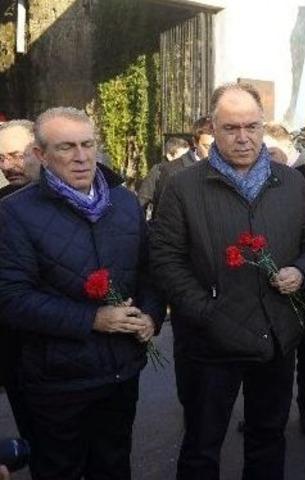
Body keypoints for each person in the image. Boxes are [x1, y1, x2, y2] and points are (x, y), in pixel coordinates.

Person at [150, 82, 305, 479]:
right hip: (209, 343)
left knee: (268, 440)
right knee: (201, 446)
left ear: (263, 126)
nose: (244, 137)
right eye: (231, 128)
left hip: (275, 338)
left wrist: (301, 272)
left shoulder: (291, 182)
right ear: (213, 128)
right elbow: (165, 260)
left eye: (252, 126)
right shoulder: (183, 187)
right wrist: (209, 312)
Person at [0, 107, 165, 479]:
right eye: (66, 147)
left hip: (121, 373)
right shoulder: (14, 213)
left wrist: (151, 316)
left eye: (88, 144)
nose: (81, 156)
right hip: (57, 381)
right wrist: (93, 319)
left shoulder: (124, 202)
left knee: (114, 467)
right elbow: (11, 299)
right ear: (40, 156)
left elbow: (149, 272)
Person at [263, 122, 305, 435]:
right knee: (266, 353)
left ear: (288, 151)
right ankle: (264, 410)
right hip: (265, 284)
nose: (267, 159)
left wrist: (304, 271)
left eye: (272, 152)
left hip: (304, 282)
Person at [0, 119, 40, 444]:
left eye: (15, 155)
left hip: (79, 352)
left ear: (39, 151)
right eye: (1, 158)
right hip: (16, 353)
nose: (8, 166)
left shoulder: (85, 199)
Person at [150, 116, 214, 216]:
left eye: (216, 147)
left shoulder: (229, 171)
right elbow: (163, 218)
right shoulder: (172, 171)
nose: (213, 152)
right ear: (195, 143)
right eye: (207, 147)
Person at [137, 136, 190, 213]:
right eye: (182, 157)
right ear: (170, 156)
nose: (186, 159)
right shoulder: (158, 171)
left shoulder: (191, 169)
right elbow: (143, 200)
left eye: (188, 156)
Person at [0, 120, 41, 198]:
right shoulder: (4, 201)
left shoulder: (68, 195)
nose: (6, 166)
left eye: (17, 156)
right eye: (0, 158)